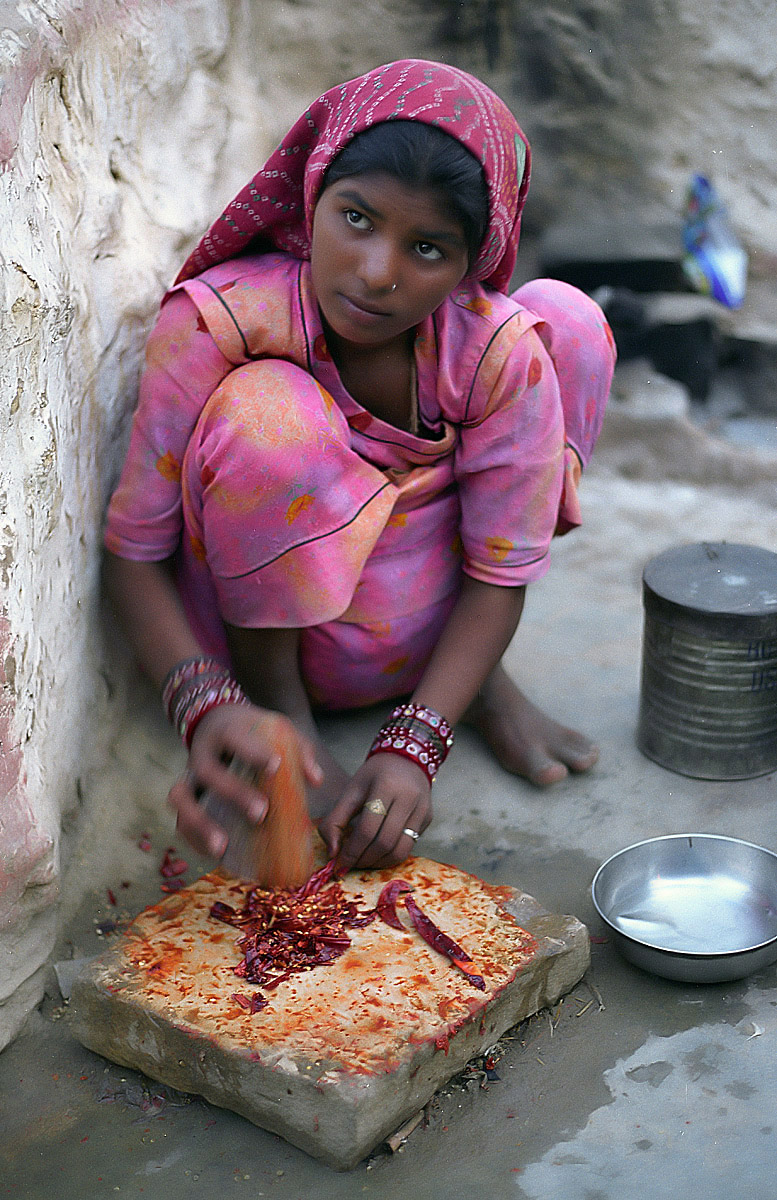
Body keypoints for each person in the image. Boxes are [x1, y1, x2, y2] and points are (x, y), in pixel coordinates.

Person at [104, 59, 615, 875]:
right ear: (310, 199)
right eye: (356, 218)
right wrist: (207, 708)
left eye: (426, 247)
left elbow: (499, 573)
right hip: (274, 638)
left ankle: (472, 684)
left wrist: (417, 746)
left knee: (568, 320)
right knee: (268, 408)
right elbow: (131, 553)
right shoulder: (219, 321)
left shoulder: (488, 353)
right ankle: (286, 719)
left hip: (431, 615)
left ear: (468, 262)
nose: (378, 272)